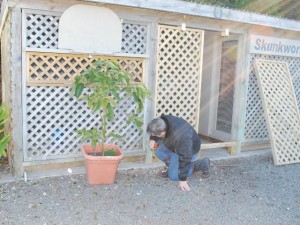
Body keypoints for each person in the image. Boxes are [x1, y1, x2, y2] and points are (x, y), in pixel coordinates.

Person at [147, 114, 210, 192]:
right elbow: (157, 132)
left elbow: (185, 157)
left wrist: (183, 180)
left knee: (174, 176)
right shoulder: (163, 120)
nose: (156, 136)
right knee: (158, 150)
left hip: (189, 151)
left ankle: (202, 163)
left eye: (156, 135)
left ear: (163, 131)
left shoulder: (182, 136)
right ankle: (172, 167)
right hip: (174, 146)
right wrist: (153, 139)